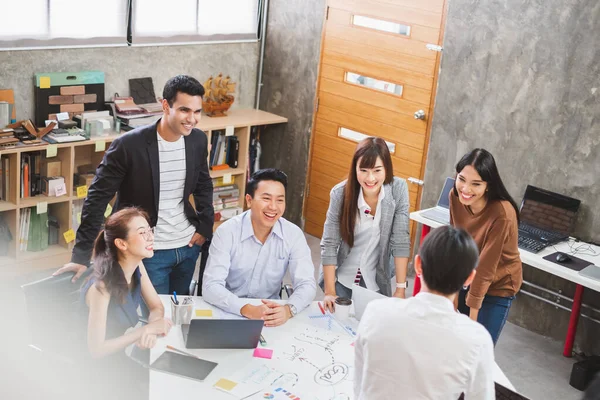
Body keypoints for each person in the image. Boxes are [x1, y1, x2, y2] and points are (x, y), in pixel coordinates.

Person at [54, 75, 214, 296]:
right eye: (185, 110)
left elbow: (203, 184)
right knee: (152, 319)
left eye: (197, 112)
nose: (193, 119)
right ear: (165, 105)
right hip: (148, 252)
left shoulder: (197, 140)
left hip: (187, 247)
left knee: (179, 317)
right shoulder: (128, 145)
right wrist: (81, 256)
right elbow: (97, 198)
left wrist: (205, 226)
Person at [354, 226, 495, 400]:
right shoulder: (477, 340)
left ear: (418, 264)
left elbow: (359, 386)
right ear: (470, 278)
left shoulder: (376, 311)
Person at [202, 169, 317, 326]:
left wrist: (288, 310)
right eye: (266, 198)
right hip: (229, 309)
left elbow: (307, 284)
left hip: (271, 313)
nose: (273, 207)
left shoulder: (293, 234)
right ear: (249, 200)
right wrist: (247, 309)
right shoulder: (227, 232)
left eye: (280, 200)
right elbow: (211, 286)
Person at [80, 207, 172, 399]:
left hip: (119, 359)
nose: (151, 237)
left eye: (150, 230)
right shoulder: (101, 288)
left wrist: (152, 327)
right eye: (142, 233)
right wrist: (144, 331)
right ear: (121, 243)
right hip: (94, 371)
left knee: (167, 382)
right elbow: (96, 350)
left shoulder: (137, 264)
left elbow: (157, 307)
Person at [320, 137, 410, 312]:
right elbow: (329, 243)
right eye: (363, 170)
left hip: (376, 278)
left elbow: (401, 240)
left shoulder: (398, 189)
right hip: (342, 276)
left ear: (386, 168)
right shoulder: (340, 194)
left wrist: (400, 288)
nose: (370, 178)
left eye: (377, 170)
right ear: (355, 169)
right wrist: (330, 291)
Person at [450, 148, 522, 344]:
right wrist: (454, 292)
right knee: (454, 347)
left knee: (478, 350)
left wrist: (472, 320)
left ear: (488, 186)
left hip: (498, 286)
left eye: (476, 184)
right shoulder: (455, 197)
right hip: (468, 277)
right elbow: (456, 247)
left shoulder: (502, 213)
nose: (465, 189)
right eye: (462, 179)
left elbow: (486, 268)